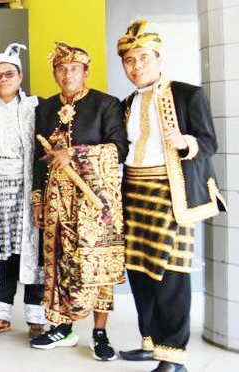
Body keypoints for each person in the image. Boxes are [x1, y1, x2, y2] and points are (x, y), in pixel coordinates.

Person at [116, 20, 227, 372]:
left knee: (170, 274)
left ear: (159, 59)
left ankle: (173, 357)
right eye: (130, 61)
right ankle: (150, 342)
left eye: (144, 58)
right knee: (139, 271)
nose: (137, 66)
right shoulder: (126, 103)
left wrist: (185, 143)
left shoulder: (187, 94)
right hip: (134, 190)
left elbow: (209, 142)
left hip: (172, 192)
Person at [29, 42, 128, 363]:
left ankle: (99, 332)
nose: (67, 74)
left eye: (74, 69)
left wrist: (74, 152)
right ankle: (62, 326)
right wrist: (38, 200)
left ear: (86, 73)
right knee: (59, 262)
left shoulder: (106, 104)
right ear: (54, 73)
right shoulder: (44, 109)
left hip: (95, 201)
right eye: (61, 68)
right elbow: (38, 160)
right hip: (57, 200)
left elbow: (118, 150)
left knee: (96, 263)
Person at [0, 44, 46, 339]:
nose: (3, 80)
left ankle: (36, 318)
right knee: (0, 252)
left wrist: (40, 194)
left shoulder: (36, 107)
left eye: (8, 74)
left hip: (29, 188)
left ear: (20, 76)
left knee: (32, 251)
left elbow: (42, 152)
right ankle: (0, 316)